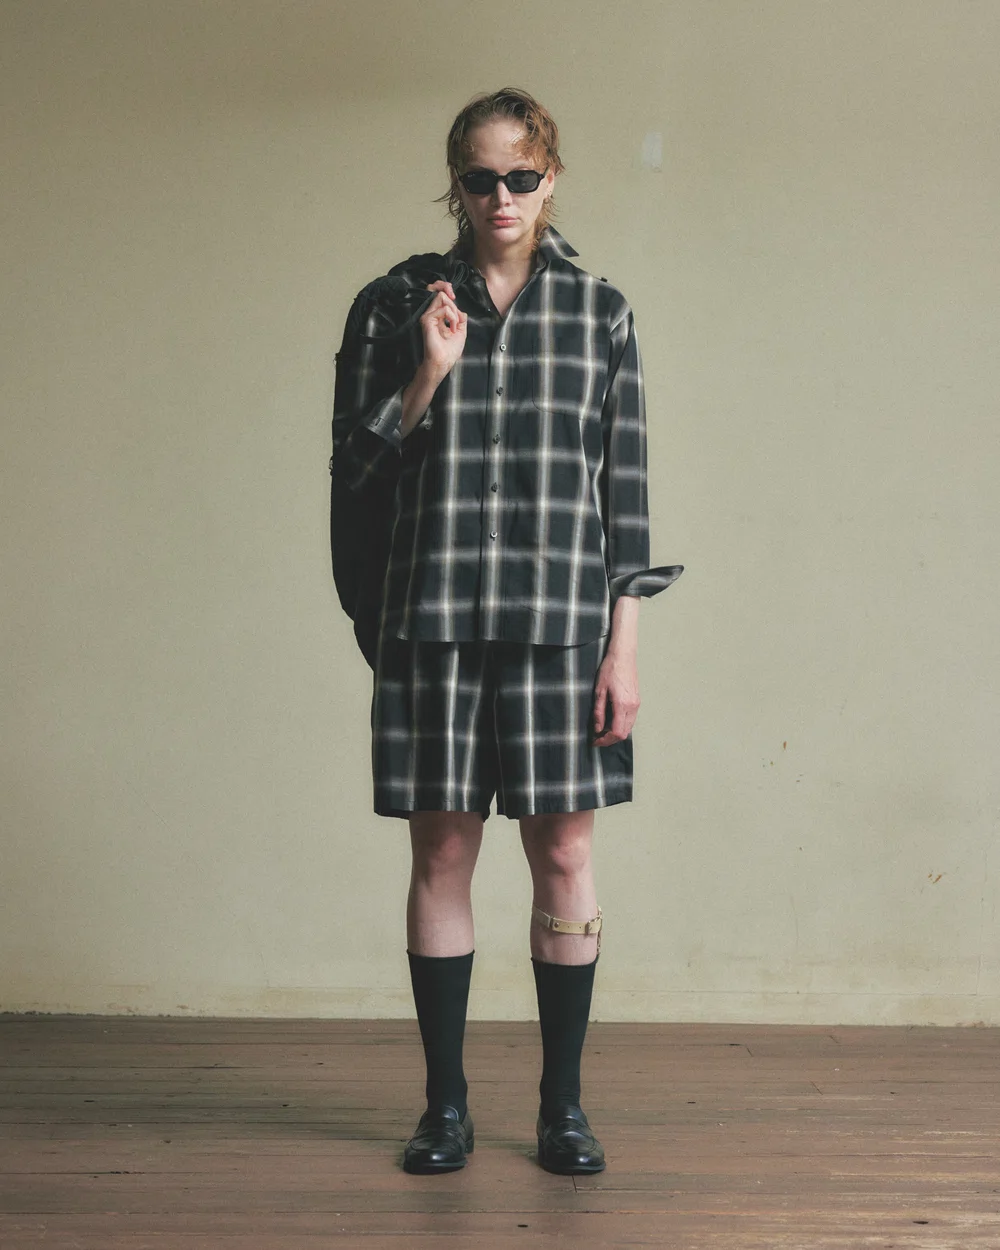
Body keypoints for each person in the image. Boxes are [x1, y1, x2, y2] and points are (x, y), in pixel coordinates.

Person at [331, 87, 682, 1175]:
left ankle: (562, 1109)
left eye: (521, 177)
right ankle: (445, 1108)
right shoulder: (396, 306)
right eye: (480, 179)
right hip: (431, 618)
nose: (501, 198)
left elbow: (625, 497)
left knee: (565, 852)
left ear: (551, 177)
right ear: (457, 183)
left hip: (562, 627)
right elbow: (355, 468)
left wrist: (624, 646)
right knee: (442, 849)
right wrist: (426, 374)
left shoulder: (599, 312)